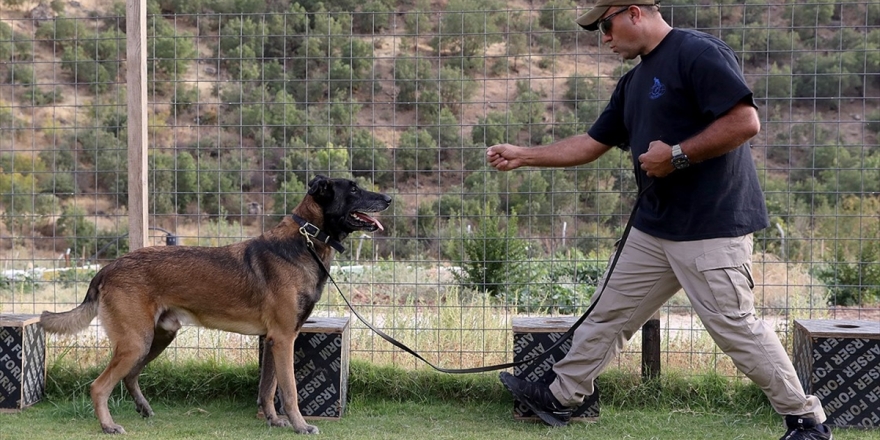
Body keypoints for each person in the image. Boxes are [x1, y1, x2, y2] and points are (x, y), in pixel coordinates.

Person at [486, 1, 832, 439]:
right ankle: (560, 397)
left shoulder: (698, 52)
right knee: (607, 315)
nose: (604, 39)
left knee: (735, 329)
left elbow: (745, 122)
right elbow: (591, 143)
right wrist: (524, 156)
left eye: (606, 27)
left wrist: (677, 155)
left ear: (633, 13)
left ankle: (806, 421)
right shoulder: (633, 82)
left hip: (710, 226)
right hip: (653, 229)